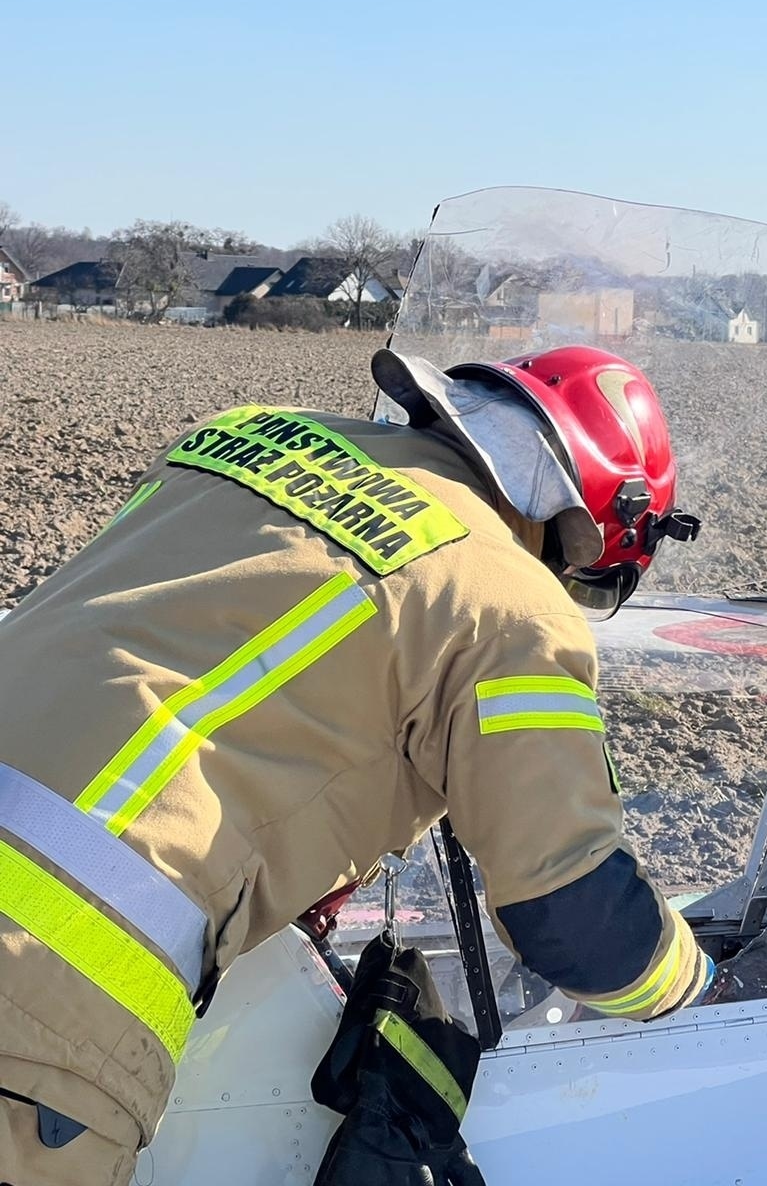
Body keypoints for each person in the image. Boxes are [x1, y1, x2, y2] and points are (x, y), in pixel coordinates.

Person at [0, 343, 710, 1186]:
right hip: (43, 974)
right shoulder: (509, 601)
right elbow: (571, 912)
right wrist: (699, 987)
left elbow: (200, 678)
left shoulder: (242, 439)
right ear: (603, 519)